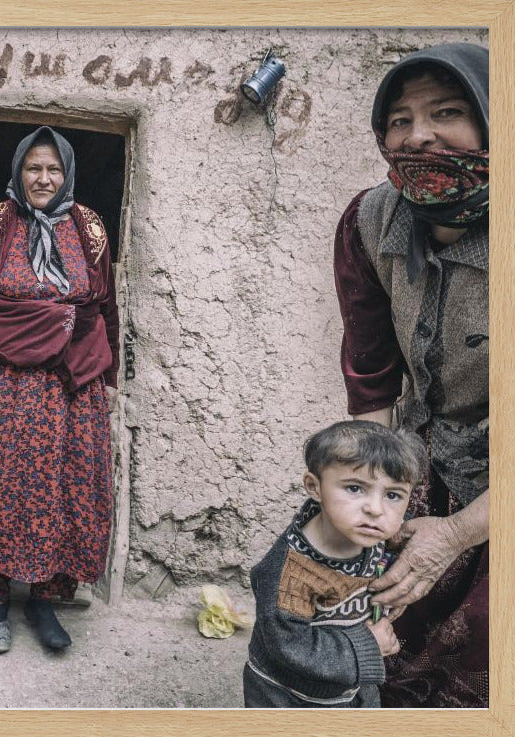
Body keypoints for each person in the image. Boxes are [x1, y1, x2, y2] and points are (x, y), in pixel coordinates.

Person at [333, 42, 489, 707]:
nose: (418, 134)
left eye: (447, 112)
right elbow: (371, 376)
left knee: (481, 657)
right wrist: (370, 494)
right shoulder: (370, 222)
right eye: (399, 119)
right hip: (425, 453)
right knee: (369, 620)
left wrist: (455, 534)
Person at [0, 126, 119, 654]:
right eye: (33, 168)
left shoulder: (90, 229)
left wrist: (108, 380)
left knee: (65, 490)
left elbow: (106, 311)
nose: (43, 178)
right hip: (4, 385)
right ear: (18, 172)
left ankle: (45, 599)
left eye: (53, 169)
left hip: (71, 388)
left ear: (68, 174)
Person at [243, 421, 425, 708]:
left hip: (352, 687)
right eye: (354, 488)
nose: (375, 509)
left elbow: (382, 566)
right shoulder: (291, 574)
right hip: (290, 696)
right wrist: (369, 646)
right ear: (314, 487)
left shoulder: (371, 535)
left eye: (393, 495)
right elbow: (289, 645)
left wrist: (391, 595)